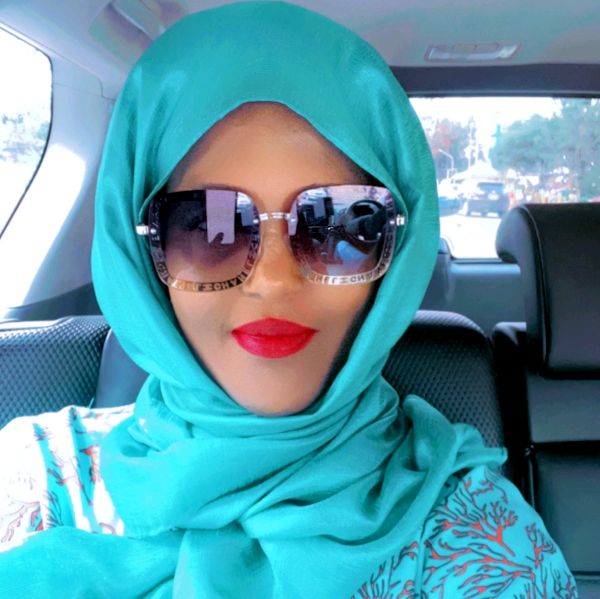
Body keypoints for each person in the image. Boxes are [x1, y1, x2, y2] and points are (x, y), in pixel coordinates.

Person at [0, 2, 577, 597]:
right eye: (208, 226)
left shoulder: (490, 548)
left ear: (396, 257)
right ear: (140, 254)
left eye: (337, 223)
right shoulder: (33, 481)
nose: (273, 281)